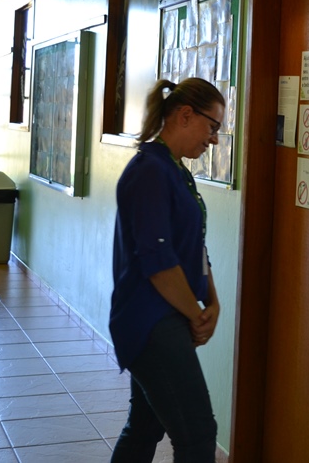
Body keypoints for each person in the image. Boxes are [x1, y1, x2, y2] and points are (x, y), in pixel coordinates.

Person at [109, 77, 225, 463]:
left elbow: (194, 246)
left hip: (172, 313)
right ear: (185, 115)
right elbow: (159, 265)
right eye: (212, 126)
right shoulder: (149, 171)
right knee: (198, 435)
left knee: (145, 427)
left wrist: (213, 302)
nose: (214, 139)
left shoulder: (177, 170)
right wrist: (196, 315)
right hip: (150, 320)